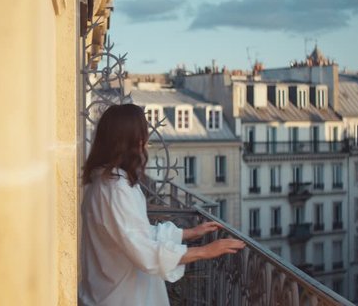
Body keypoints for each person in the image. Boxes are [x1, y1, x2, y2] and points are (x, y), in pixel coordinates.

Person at [78, 104, 245, 306]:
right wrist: (205, 251)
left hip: (109, 292)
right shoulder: (116, 189)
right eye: (142, 136)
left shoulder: (102, 181)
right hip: (122, 297)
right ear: (132, 141)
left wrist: (187, 234)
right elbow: (143, 250)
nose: (145, 143)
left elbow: (133, 233)